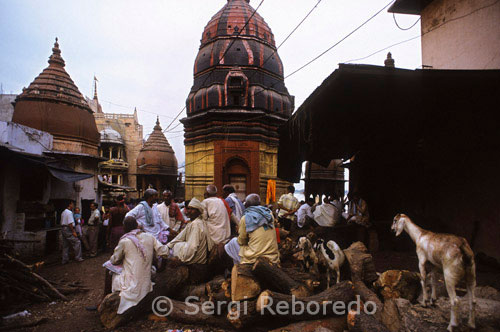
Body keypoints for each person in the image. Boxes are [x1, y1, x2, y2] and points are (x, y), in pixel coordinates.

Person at [107, 216, 170, 314]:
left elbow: (115, 260)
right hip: (146, 281)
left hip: (131, 283)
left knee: (108, 270)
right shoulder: (150, 236)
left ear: (124, 228)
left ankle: (105, 298)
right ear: (137, 225)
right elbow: (164, 251)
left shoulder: (125, 241)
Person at [224, 193, 279, 265]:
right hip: (272, 256)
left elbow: (241, 241)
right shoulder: (269, 214)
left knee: (231, 244)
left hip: (254, 257)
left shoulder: (245, 218)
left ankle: (238, 267)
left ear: (246, 205)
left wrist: (240, 231)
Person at [166, 198, 213, 265]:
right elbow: (180, 237)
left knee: (177, 245)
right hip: (198, 257)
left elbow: (192, 247)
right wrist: (168, 246)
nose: (189, 211)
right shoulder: (193, 223)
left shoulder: (196, 224)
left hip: (197, 259)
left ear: (198, 211)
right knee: (177, 244)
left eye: (192, 209)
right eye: (188, 209)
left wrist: (182, 259)